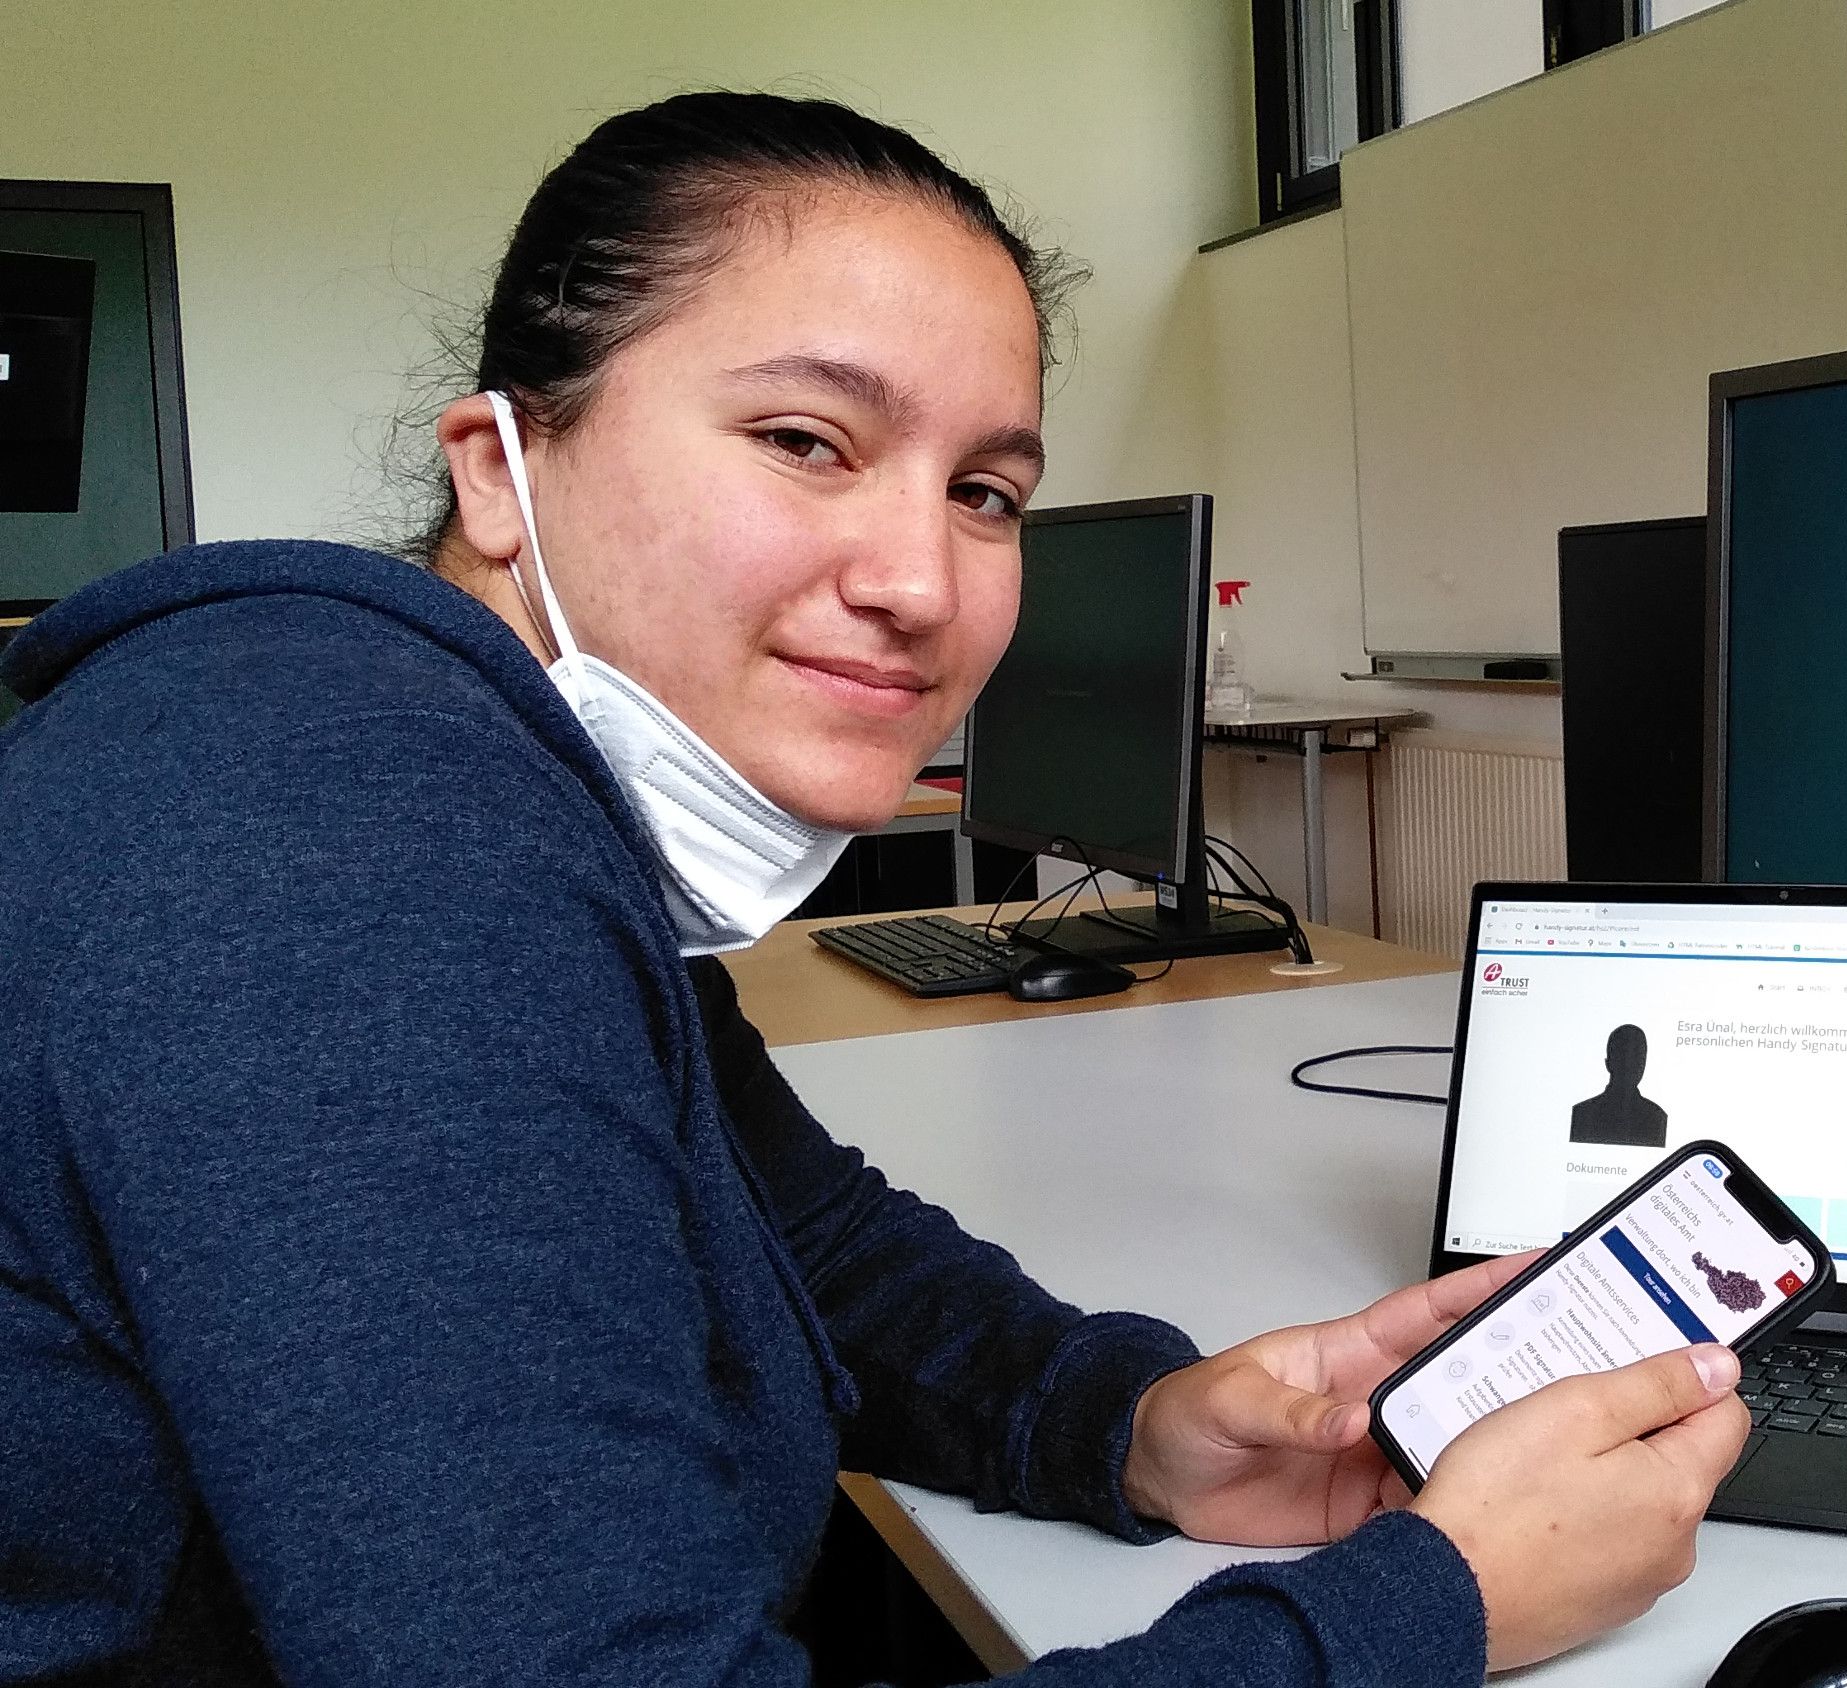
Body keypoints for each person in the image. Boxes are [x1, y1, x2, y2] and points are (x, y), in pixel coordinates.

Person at [0, 92, 1749, 1686]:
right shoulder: (336, 831)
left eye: (985, 492)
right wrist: (1429, 1604)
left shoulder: (453, 774)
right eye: (806, 439)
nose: (923, 579)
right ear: (496, 470)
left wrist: (1132, 1421)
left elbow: (799, 1234)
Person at [1571, 1023, 1673, 1148]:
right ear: (1609, 1063)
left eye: (1638, 1058)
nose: (1630, 1065)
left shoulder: (1656, 1118)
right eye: (1623, 1057)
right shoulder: (1581, 1114)